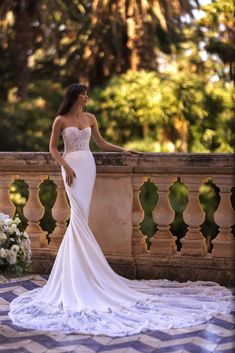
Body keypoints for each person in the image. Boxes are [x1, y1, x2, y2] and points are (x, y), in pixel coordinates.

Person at [9, 83, 233, 337]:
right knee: (78, 218)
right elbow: (52, 148)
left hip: (88, 166)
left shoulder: (90, 118)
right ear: (75, 96)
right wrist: (67, 167)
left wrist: (123, 150)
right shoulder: (60, 120)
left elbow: (101, 143)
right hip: (71, 166)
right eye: (83, 93)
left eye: (86, 93)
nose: (86, 96)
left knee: (82, 218)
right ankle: (79, 273)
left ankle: (81, 272)